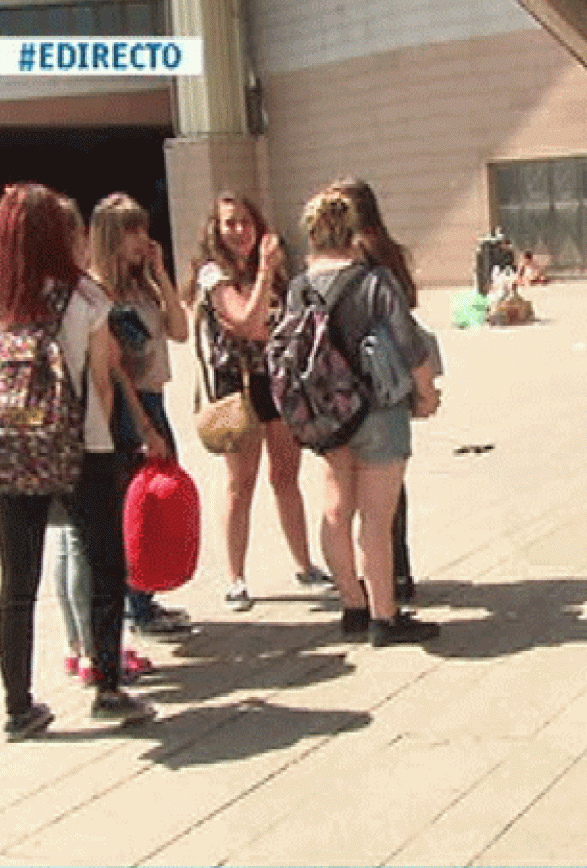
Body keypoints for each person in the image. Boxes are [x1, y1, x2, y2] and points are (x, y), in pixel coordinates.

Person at [0, 183, 156, 738]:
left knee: (16, 580)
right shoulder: (83, 297)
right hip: (83, 447)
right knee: (104, 565)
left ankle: (18, 706)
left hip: (6, 449)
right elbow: (99, 380)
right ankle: (108, 689)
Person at [291, 189, 441, 646]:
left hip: (327, 414)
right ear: (353, 231)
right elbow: (408, 343)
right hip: (377, 410)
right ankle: (384, 616)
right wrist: (427, 392)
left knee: (336, 509)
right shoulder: (374, 282)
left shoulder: (298, 288)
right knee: (376, 518)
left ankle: (351, 606)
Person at [187, 192, 330, 611]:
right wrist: (266, 273)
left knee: (286, 474)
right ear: (215, 229)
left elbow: (286, 323)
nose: (238, 231)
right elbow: (248, 323)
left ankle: (305, 564)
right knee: (240, 482)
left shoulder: (273, 272)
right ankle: (235, 577)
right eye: (229, 223)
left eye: (245, 222)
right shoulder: (212, 274)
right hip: (238, 384)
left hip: (276, 379)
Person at [89, 193, 193, 639]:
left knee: (156, 499)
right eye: (131, 231)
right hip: (131, 405)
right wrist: (145, 425)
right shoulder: (100, 291)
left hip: (155, 397)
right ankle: (137, 607)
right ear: (111, 237)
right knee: (138, 504)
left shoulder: (140, 285)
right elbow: (116, 368)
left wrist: (161, 274)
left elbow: (180, 331)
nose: (141, 239)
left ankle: (145, 597)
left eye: (142, 229)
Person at [328, 177, 424, 604]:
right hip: (389, 376)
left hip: (342, 383)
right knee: (388, 490)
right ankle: (395, 575)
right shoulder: (391, 253)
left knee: (347, 495)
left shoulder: (342, 256)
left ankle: (360, 589)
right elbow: (409, 305)